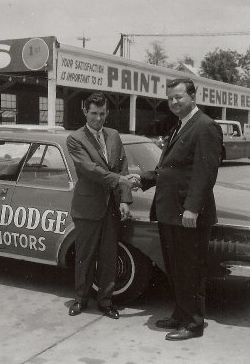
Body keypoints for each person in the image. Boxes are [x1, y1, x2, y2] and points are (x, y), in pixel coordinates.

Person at [134, 78, 223, 340]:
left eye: (179, 97)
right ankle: (180, 314)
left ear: (193, 97)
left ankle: (193, 324)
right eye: (170, 98)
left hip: (188, 215)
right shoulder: (180, 126)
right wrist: (144, 179)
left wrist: (192, 209)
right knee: (175, 268)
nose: (173, 102)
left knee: (190, 270)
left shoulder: (205, 126)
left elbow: (205, 174)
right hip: (170, 212)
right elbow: (171, 169)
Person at [66, 92, 134, 319]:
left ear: (107, 112)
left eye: (102, 113)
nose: (98, 118)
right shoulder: (75, 138)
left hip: (112, 208)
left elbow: (123, 167)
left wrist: (124, 199)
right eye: (93, 113)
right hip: (87, 207)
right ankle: (80, 300)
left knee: (108, 257)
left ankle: (106, 302)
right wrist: (119, 180)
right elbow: (89, 169)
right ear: (85, 111)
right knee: (84, 257)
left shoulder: (114, 135)